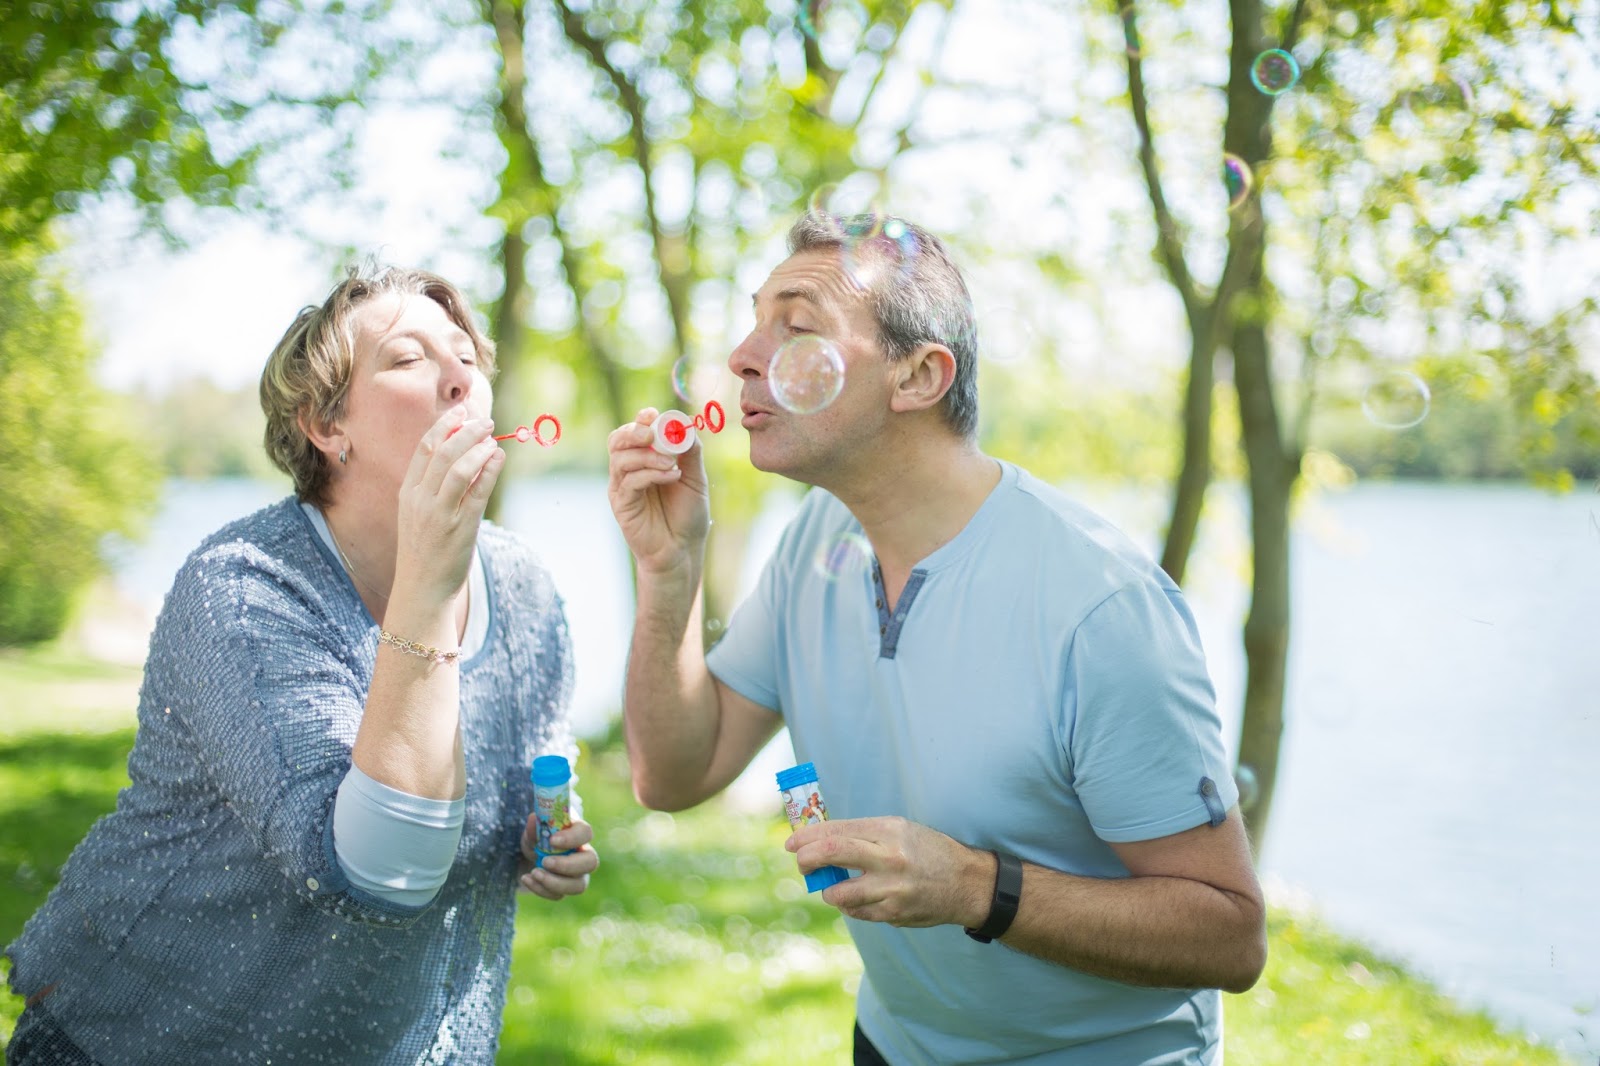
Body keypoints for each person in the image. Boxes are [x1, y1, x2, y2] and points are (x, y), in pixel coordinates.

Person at [606, 214, 1266, 1064]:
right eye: (754, 317)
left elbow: (1230, 938)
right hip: (892, 1042)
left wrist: (973, 888)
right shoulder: (817, 538)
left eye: (795, 325)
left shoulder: (1099, 609)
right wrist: (669, 572)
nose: (742, 353)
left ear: (918, 376)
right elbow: (673, 773)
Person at [5, 266, 598, 1065]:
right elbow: (374, 871)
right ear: (327, 424)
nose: (462, 377)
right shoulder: (246, 587)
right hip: (139, 1040)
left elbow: (530, 774)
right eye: (408, 358)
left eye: (466, 354)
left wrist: (535, 837)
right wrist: (429, 580)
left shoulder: (524, 588)